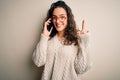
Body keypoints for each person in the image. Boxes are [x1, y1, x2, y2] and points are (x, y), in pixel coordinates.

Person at [32, 0, 91, 80]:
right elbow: (38, 62)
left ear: (68, 18)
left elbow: (81, 69)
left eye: (62, 17)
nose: (57, 21)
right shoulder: (47, 40)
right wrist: (44, 36)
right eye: (54, 17)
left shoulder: (76, 40)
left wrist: (84, 41)